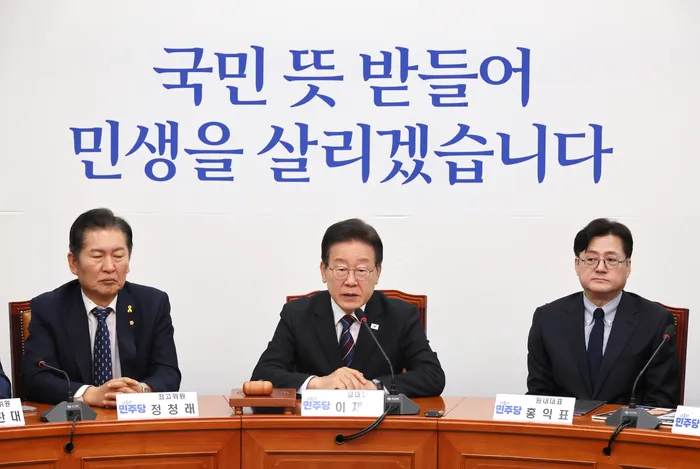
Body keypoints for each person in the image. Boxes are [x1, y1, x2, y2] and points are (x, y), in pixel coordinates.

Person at [251, 218, 445, 397]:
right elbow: (263, 375)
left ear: (377, 273)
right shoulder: (297, 314)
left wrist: (375, 387)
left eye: (361, 270)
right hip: (315, 420)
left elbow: (433, 375)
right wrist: (317, 383)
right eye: (341, 269)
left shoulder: (400, 315)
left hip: (379, 421)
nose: (351, 281)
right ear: (324, 271)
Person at [22, 208, 181, 406]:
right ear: (73, 263)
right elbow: (35, 379)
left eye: (118, 256)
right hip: (76, 420)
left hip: (134, 417)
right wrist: (90, 394)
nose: (109, 267)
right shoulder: (49, 308)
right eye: (97, 256)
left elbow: (168, 372)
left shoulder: (152, 304)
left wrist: (141, 390)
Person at [526, 218, 679, 407]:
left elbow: (661, 402)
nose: (600, 268)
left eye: (611, 260)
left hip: (626, 425)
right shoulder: (547, 319)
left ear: (628, 266)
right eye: (591, 259)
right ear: (577, 265)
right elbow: (538, 394)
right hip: (566, 425)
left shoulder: (655, 321)